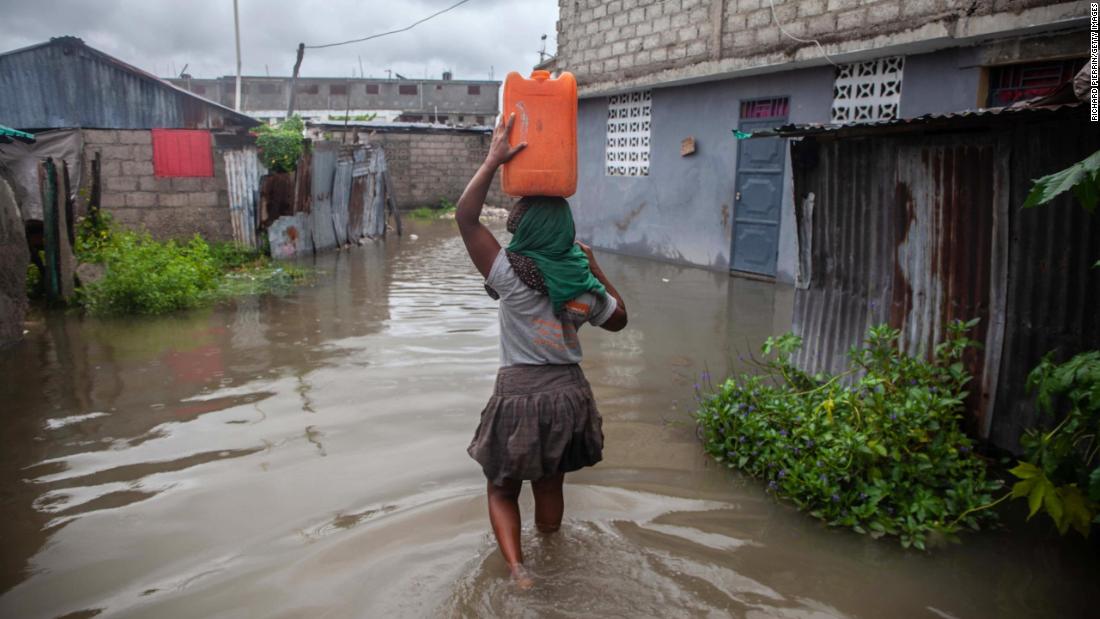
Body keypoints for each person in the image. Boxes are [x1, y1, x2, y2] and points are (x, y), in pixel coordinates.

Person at [456, 113, 628, 587]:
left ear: (526, 231)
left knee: (501, 487)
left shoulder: (510, 276)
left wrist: (493, 159)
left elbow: (465, 218)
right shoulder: (584, 288)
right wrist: (595, 269)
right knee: (550, 482)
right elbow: (620, 320)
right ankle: (552, 552)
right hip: (569, 394)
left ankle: (518, 570)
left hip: (519, 393)